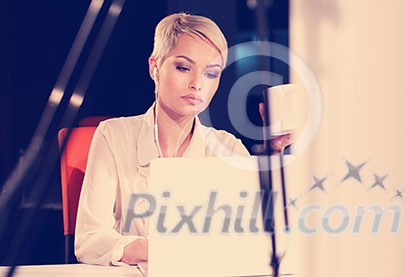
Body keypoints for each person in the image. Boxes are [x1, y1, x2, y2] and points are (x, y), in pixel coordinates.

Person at [74, 12, 291, 266]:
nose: (197, 83)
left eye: (211, 73)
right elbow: (89, 239)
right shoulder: (113, 135)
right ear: (155, 67)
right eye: (183, 68)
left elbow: (261, 237)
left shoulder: (227, 147)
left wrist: (273, 153)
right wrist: (160, 250)